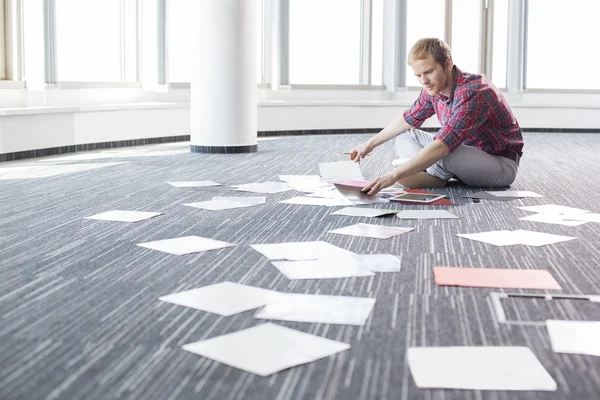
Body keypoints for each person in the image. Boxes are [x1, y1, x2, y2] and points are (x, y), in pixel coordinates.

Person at [348, 38, 523, 195]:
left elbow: (443, 145)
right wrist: (368, 145)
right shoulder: (432, 88)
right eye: (418, 75)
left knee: (442, 152)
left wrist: (393, 176)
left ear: (447, 64)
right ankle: (435, 171)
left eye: (429, 72)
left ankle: (432, 172)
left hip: (500, 165)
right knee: (406, 135)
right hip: (464, 155)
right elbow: (406, 120)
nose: (424, 81)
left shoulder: (473, 92)